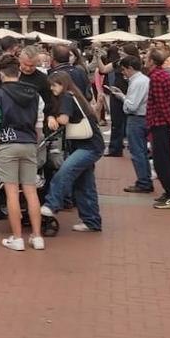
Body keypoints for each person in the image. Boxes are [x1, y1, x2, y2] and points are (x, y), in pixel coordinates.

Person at [0, 55, 45, 251]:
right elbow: (39, 123)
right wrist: (35, 141)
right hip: (29, 143)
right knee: (31, 191)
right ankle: (37, 237)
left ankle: (18, 238)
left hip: (7, 143)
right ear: (19, 72)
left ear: (1, 74)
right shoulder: (35, 94)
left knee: (11, 192)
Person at [40, 72, 103, 232]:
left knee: (65, 171)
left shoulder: (67, 97)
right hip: (90, 144)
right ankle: (91, 221)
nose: (52, 88)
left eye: (54, 85)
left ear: (62, 84)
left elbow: (64, 120)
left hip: (86, 146)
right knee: (84, 184)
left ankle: (51, 204)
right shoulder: (75, 95)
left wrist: (51, 118)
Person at [146, 49, 170, 209]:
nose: (145, 61)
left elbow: (162, 103)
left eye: (147, 59)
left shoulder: (155, 77)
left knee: (162, 161)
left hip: (159, 123)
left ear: (152, 61)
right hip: (163, 123)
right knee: (164, 159)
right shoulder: (166, 76)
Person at [108, 55, 153, 193]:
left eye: (124, 69)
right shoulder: (144, 79)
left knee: (137, 151)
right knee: (141, 151)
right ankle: (145, 179)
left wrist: (124, 101)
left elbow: (132, 106)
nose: (123, 73)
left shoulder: (137, 82)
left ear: (130, 68)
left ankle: (143, 181)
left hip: (136, 118)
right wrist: (122, 96)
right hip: (142, 117)